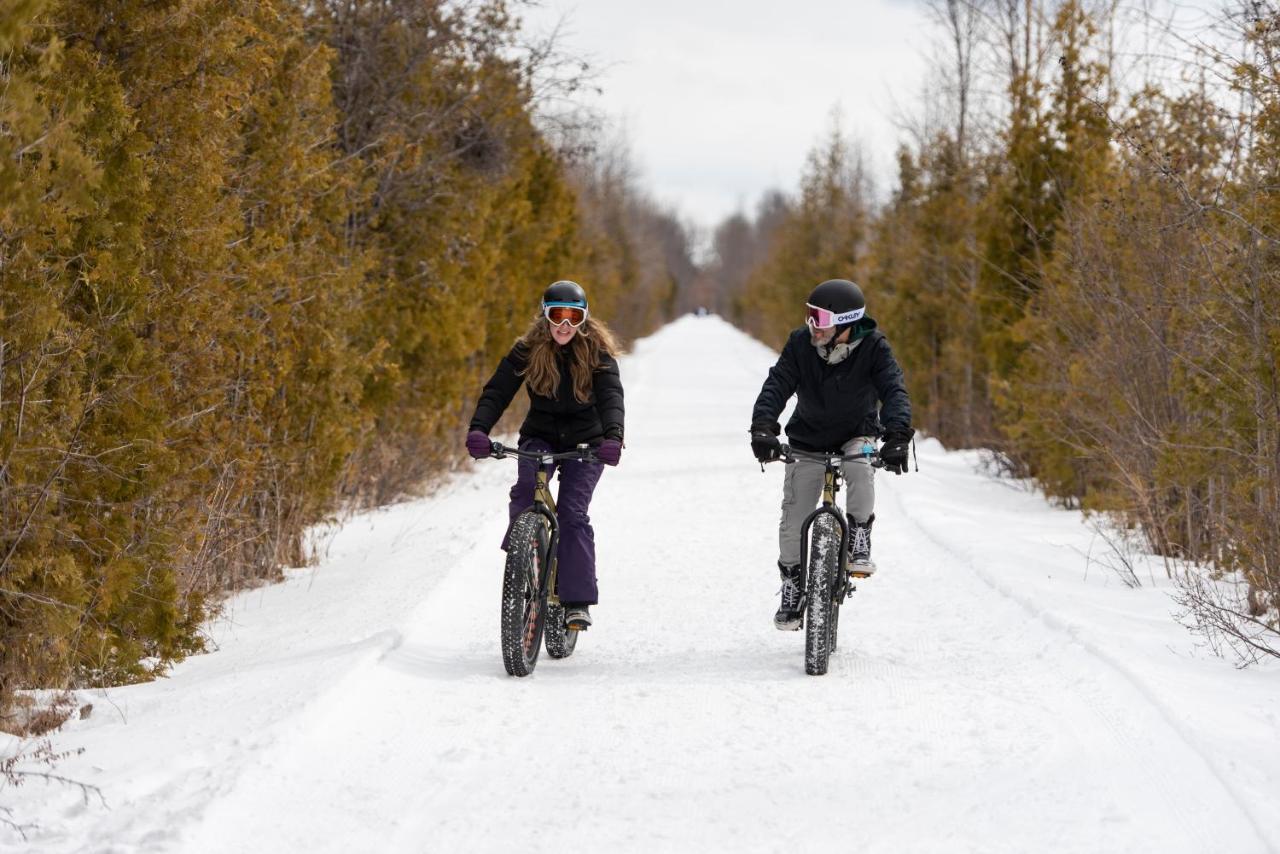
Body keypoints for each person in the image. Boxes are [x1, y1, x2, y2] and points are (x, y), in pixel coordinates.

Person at [749, 278, 913, 630]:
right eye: (810, 316)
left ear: (845, 322)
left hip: (859, 433)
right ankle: (793, 582)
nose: (812, 326)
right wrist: (763, 426)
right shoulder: (800, 344)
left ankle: (858, 534)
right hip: (807, 438)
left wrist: (897, 434)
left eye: (819, 319)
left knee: (861, 468)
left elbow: (893, 389)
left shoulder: (874, 347)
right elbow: (777, 384)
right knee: (794, 518)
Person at [466, 281, 624, 630]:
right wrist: (479, 430)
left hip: (588, 444)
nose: (564, 325)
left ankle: (576, 602)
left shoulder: (597, 354)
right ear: (545, 315)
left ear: (583, 320)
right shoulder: (527, 350)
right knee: (525, 490)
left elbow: (612, 397)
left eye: (573, 317)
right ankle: (524, 555)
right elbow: (497, 391)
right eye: (557, 315)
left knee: (572, 513)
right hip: (540, 437)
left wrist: (614, 437)